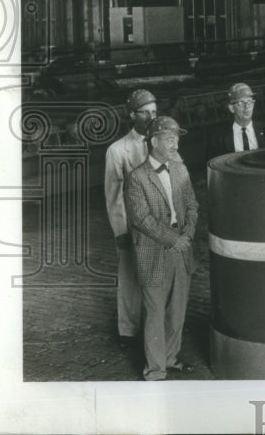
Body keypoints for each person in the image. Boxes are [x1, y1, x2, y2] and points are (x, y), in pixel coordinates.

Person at [124, 116, 198, 381]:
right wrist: (173, 239)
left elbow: (191, 205)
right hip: (154, 251)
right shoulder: (137, 178)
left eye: (176, 138)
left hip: (181, 248)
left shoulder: (180, 169)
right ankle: (155, 370)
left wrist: (187, 233)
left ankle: (170, 358)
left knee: (177, 309)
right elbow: (141, 219)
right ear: (153, 142)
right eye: (169, 139)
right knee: (155, 312)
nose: (175, 144)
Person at [104, 88, 157, 349]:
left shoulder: (162, 144)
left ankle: (155, 327)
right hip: (132, 225)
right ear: (132, 114)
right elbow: (114, 196)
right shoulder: (117, 151)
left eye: (154, 112)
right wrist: (121, 231)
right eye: (145, 112)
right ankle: (128, 331)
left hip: (157, 225)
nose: (150, 117)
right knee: (130, 277)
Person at [206, 82, 265, 160]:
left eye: (249, 102)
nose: (246, 107)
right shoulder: (218, 137)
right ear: (231, 108)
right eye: (241, 103)